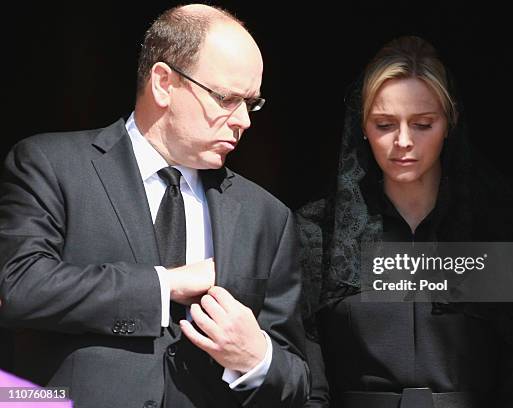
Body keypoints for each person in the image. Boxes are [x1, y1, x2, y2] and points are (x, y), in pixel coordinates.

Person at [0, 4, 308, 408]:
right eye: (226, 99)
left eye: (251, 104)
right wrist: (166, 285)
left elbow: (300, 380)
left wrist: (255, 359)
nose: (243, 121)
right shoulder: (52, 164)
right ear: (164, 83)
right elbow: (17, 287)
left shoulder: (266, 216)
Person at [297, 36, 513, 407]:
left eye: (422, 124)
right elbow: (304, 356)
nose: (403, 141)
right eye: (384, 124)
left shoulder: (500, 230)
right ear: (362, 127)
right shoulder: (321, 232)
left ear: (450, 123)